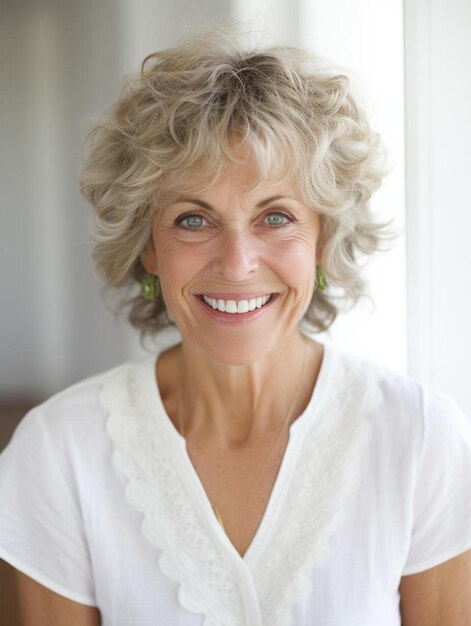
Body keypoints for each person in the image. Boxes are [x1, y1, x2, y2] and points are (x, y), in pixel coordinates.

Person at [1, 28, 470, 626]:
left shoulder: (423, 441)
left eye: (276, 216)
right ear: (147, 249)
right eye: (194, 220)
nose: (237, 263)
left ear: (324, 241)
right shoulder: (58, 454)